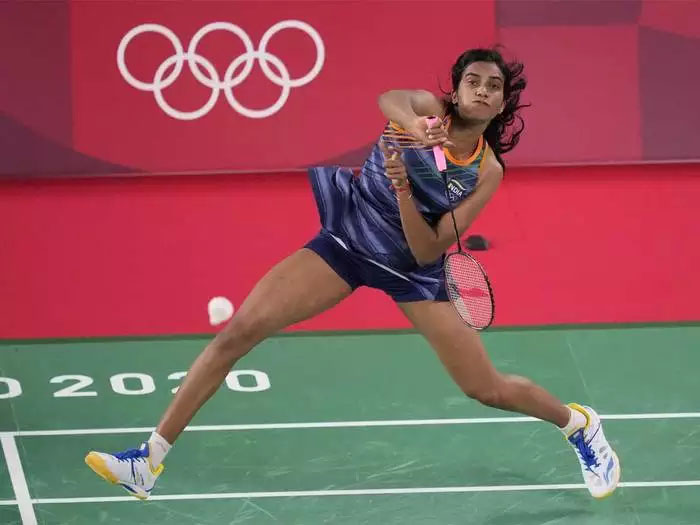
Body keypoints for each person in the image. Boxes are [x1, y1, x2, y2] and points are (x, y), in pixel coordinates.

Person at [85, 48, 620, 500]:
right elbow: (389, 99)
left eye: (493, 86)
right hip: (348, 239)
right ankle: (147, 461)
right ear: (455, 92)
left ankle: (578, 424)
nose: (481, 90)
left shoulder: (486, 170)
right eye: (472, 81)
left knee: (487, 388)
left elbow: (427, 246)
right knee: (238, 333)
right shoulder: (426, 110)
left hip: (412, 270)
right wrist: (414, 126)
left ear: (502, 103)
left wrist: (404, 188)